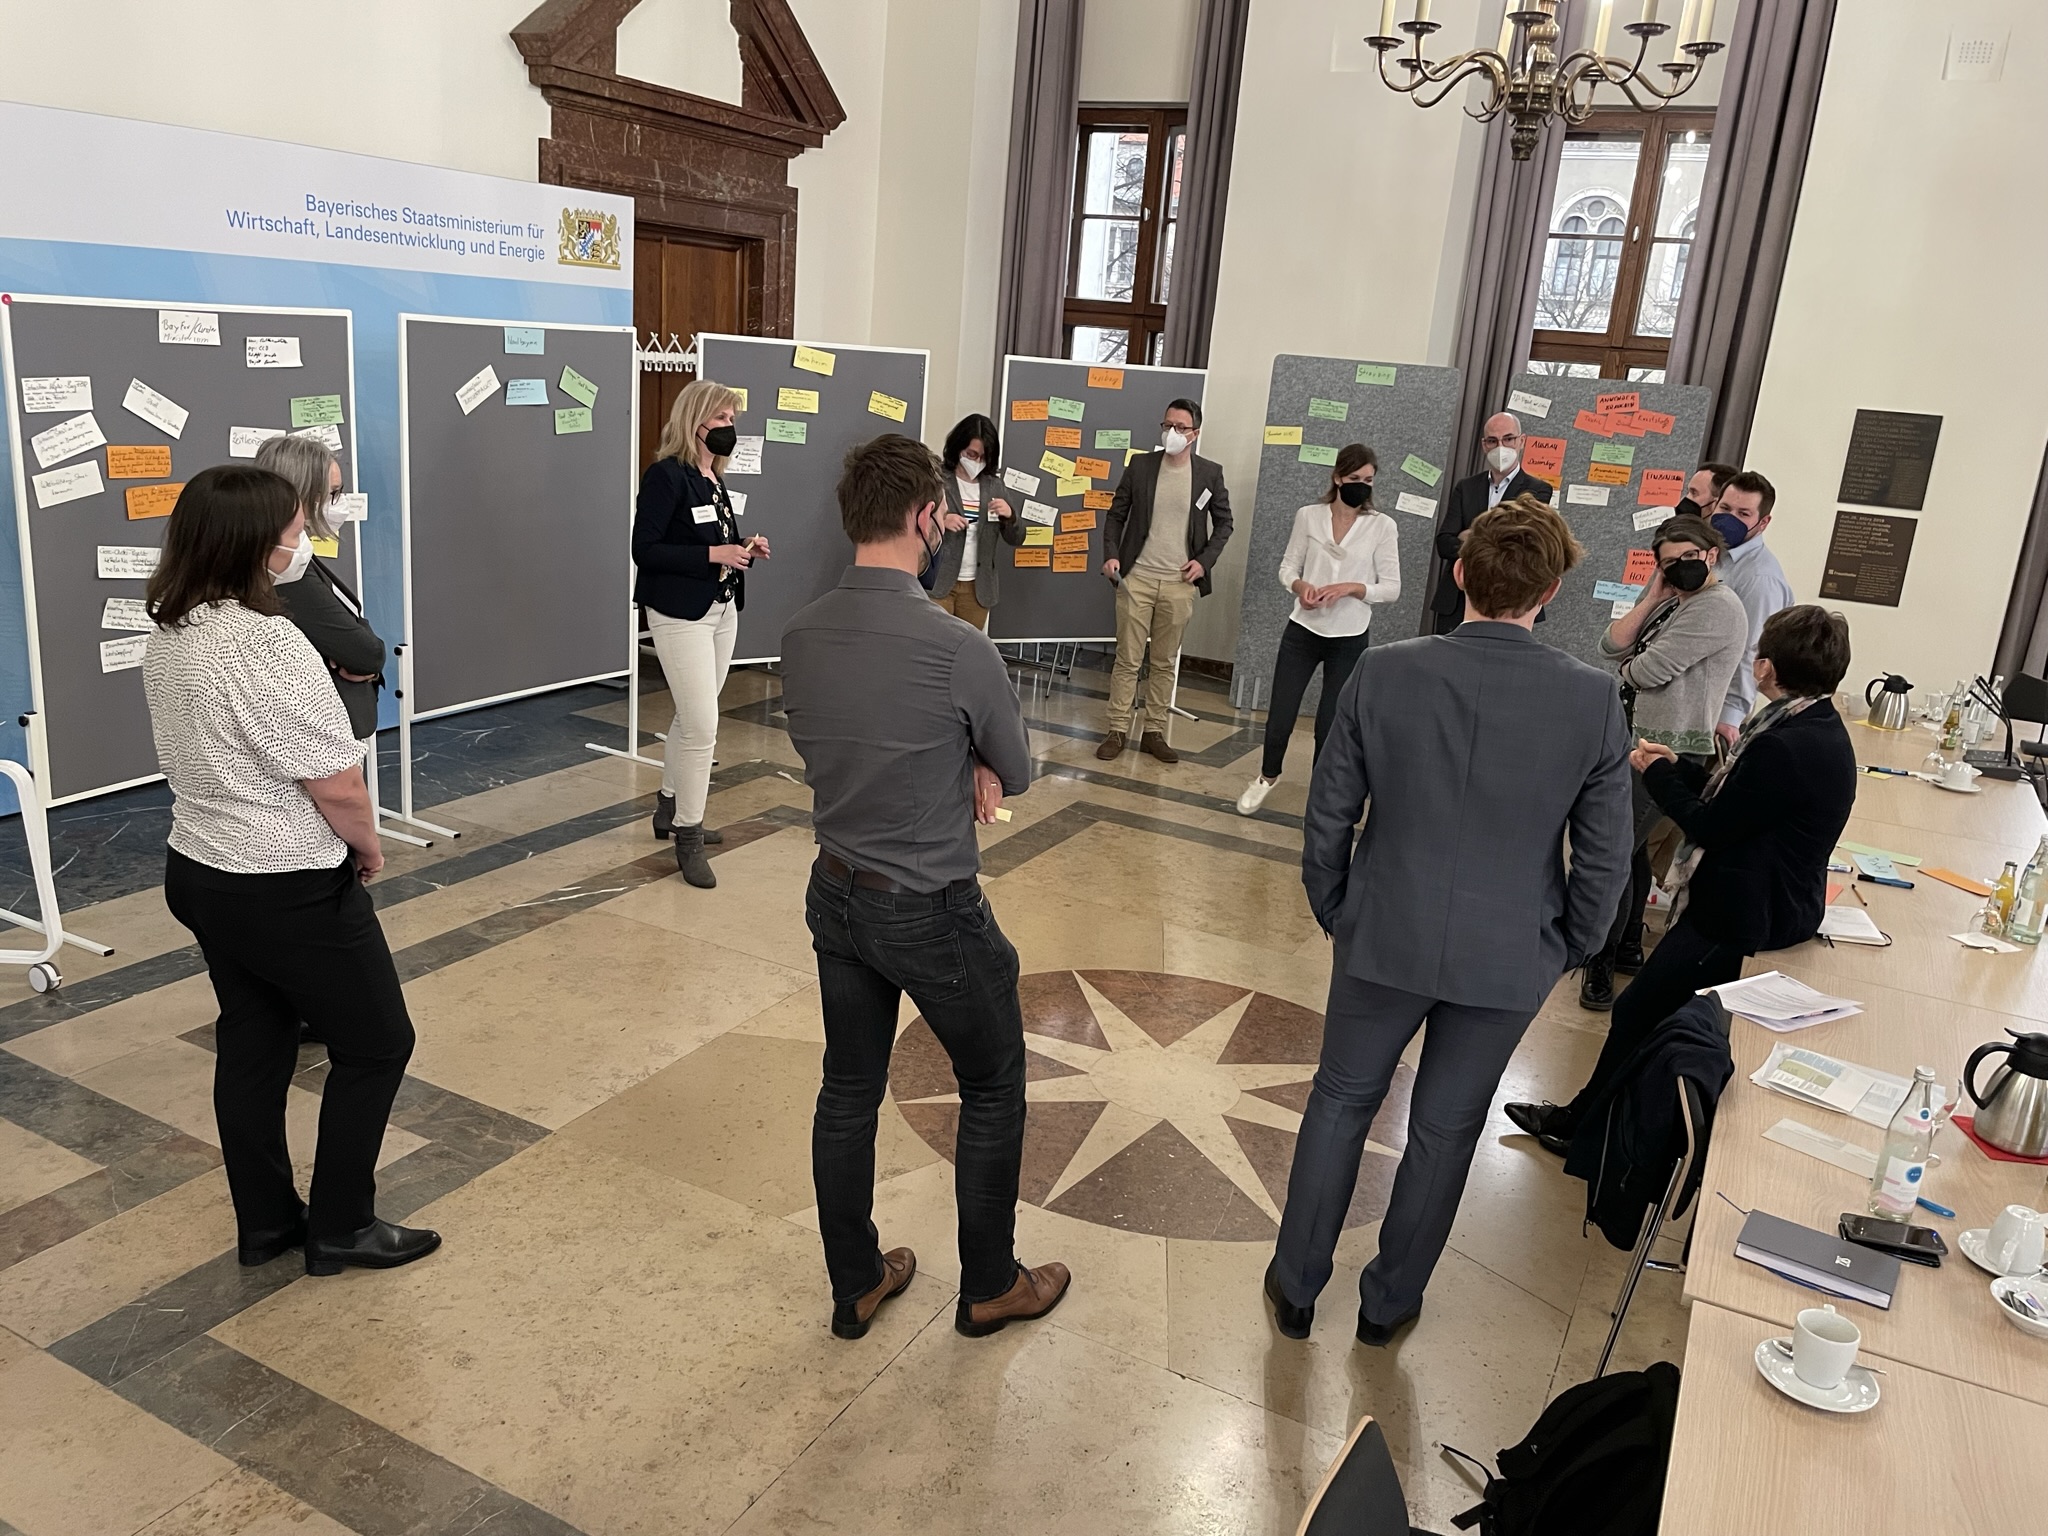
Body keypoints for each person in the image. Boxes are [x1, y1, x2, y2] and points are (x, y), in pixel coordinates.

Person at [1264, 495, 1631, 1346]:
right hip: (1509, 953)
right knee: (1443, 1129)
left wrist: (1336, 908)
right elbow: (1605, 856)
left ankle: (1295, 1286)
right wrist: (1570, 943)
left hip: (1383, 929)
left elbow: (1329, 814)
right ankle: (1389, 1304)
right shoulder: (1590, 700)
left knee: (1340, 1104)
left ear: (1460, 574)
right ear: (1551, 592)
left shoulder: (1385, 671)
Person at [781, 433, 1069, 1343]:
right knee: (992, 1082)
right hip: (932, 908)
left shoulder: (798, 636)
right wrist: (972, 762)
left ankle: (856, 1280)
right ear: (920, 519)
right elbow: (1016, 770)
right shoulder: (958, 646)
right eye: (941, 514)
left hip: (835, 892)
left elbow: (834, 750)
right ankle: (990, 1285)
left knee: (847, 1090)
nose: (945, 526)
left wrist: (950, 760)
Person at [143, 466, 435, 1278]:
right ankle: (342, 1225)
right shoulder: (265, 639)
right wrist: (370, 848)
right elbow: (335, 780)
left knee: (255, 1043)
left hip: (200, 867)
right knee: (378, 1044)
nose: (301, 538)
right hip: (284, 881)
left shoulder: (170, 626)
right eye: (294, 527)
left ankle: (267, 1225)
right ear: (259, 543)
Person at [1507, 606, 1857, 1155]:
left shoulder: (1784, 745)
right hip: (1768, 901)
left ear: (1765, 668)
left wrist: (1658, 774)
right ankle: (1594, 1122)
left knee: (1638, 1011)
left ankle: (1584, 1132)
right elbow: (1739, 797)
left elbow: (1710, 825)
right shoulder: (1808, 725)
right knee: (1649, 1013)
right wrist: (1681, 766)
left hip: (1744, 916)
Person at [1579, 512, 1750, 1012]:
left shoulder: (1718, 607)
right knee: (1629, 852)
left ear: (1711, 555)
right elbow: (1608, 643)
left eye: (1688, 559)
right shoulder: (1673, 601)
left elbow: (1646, 669)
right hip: (1635, 743)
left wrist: (1628, 667)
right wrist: (1653, 594)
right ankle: (1627, 947)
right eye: (1668, 563)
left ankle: (1600, 965)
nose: (1679, 569)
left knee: (1614, 851)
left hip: (1670, 750)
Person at [632, 379, 771, 888]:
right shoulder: (666, 475)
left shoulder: (713, 478)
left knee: (693, 717)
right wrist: (714, 554)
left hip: (721, 608)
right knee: (703, 725)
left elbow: (710, 536)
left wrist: (742, 547)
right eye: (724, 421)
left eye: (734, 420)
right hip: (678, 614)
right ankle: (687, 836)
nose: (731, 429)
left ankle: (668, 806)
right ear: (696, 424)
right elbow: (644, 549)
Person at [1236, 445, 1400, 816]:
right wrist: (1301, 588)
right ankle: (1267, 776)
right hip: (1304, 629)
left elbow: (1391, 588)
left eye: (1368, 481)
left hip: (1350, 634)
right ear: (1338, 478)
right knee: (1281, 712)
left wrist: (1353, 588)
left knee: (1331, 721)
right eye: (1354, 479)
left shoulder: (1382, 526)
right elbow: (1287, 568)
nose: (1361, 487)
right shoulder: (1309, 516)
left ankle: (1322, 793)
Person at [1097, 398, 1233, 764]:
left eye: (1181, 427)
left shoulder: (1209, 473)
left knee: (1164, 660)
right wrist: (1111, 554)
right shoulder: (1140, 466)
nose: (1172, 432)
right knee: (1127, 658)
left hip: (1178, 583)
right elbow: (1116, 515)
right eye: (1167, 425)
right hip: (1136, 577)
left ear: (1195, 434)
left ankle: (1154, 730)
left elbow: (1225, 524)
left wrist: (1204, 562)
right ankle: (1117, 729)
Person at [252, 435, 385, 744]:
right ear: (297, 496)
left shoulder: (295, 557)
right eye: (333, 493)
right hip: (318, 733)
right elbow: (366, 652)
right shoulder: (284, 569)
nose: (340, 503)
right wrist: (361, 651)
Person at [1428, 411, 1553, 635]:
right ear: (1484, 445)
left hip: (1510, 601)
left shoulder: (1537, 490)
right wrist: (1494, 540)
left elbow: (1520, 547)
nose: (1501, 446)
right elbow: (1445, 543)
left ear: (1521, 441)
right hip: (1458, 599)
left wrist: (1471, 535)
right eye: (1493, 441)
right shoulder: (1466, 487)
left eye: (1508, 439)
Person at [1705, 469, 1795, 748]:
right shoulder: (1711, 555)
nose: (1729, 518)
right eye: (1725, 508)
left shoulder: (1760, 578)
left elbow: (1752, 652)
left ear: (1763, 522)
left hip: (1716, 717)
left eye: (1743, 514)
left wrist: (1729, 717)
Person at [926, 414, 1025, 628]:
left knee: (967, 650)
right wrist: (941, 520)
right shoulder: (937, 479)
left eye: (983, 457)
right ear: (958, 448)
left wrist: (1010, 516)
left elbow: (1018, 537)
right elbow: (914, 523)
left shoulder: (994, 486)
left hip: (977, 588)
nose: (977, 461)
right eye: (971, 454)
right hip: (939, 582)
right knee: (936, 645)